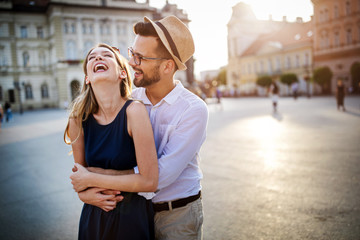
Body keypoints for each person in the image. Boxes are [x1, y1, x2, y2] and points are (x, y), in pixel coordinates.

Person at [75, 15, 209, 240]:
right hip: (132, 211)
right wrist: (86, 194)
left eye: (140, 57)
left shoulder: (193, 109)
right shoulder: (129, 99)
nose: (132, 62)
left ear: (167, 66)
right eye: (131, 53)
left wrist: (96, 176)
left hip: (176, 215)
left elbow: (160, 176)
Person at [64, 43, 158, 240]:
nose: (98, 58)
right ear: (87, 78)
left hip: (132, 218)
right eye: (91, 57)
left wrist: (92, 178)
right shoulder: (77, 119)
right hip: (94, 214)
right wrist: (84, 195)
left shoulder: (135, 111)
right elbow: (80, 179)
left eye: (106, 55)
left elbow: (149, 181)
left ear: (122, 73)